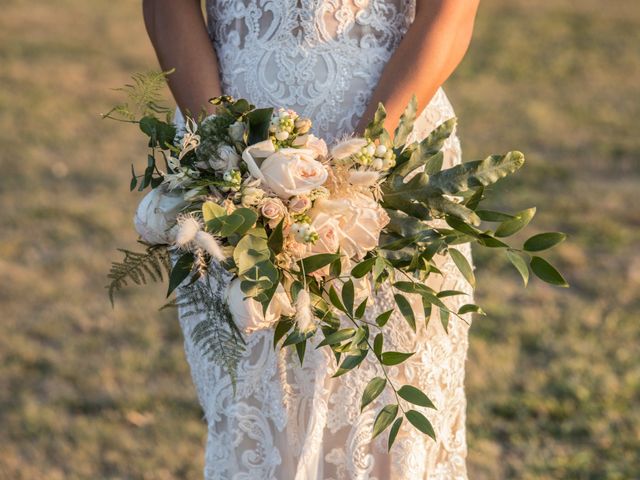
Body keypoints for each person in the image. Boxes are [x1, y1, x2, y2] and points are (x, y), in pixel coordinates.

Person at [143, 1, 480, 478]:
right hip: (229, 165)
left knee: (391, 427)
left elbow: (451, 9)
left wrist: (363, 169)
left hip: (393, 154)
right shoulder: (225, 170)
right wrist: (224, 159)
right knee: (260, 422)